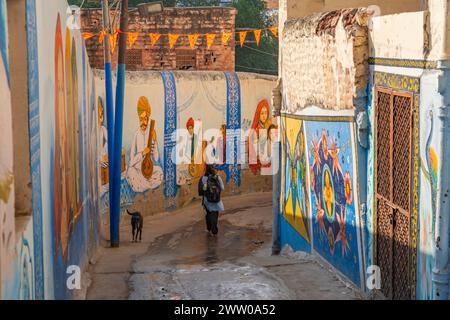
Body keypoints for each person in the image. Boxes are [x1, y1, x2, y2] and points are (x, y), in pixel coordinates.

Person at [126, 96, 163, 193]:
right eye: (141, 119)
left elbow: (156, 158)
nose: (143, 122)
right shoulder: (136, 135)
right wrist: (142, 153)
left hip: (149, 170)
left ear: (148, 119)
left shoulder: (151, 133)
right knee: (130, 171)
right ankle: (146, 185)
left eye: (145, 119)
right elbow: (131, 162)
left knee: (159, 172)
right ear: (138, 119)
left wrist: (154, 141)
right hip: (138, 170)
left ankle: (145, 184)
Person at [198, 164, 225, 236]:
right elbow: (222, 188)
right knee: (215, 214)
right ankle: (214, 230)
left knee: (208, 214)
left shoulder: (203, 178)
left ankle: (209, 228)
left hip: (207, 200)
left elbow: (202, 191)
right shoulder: (217, 177)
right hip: (216, 199)